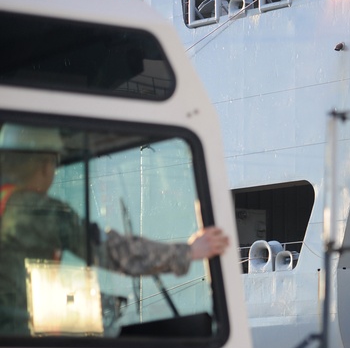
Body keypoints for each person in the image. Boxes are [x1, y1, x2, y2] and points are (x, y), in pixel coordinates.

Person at [0, 123, 229, 335]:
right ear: (44, 166)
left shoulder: (6, 203)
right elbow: (112, 251)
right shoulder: (36, 210)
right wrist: (188, 251)